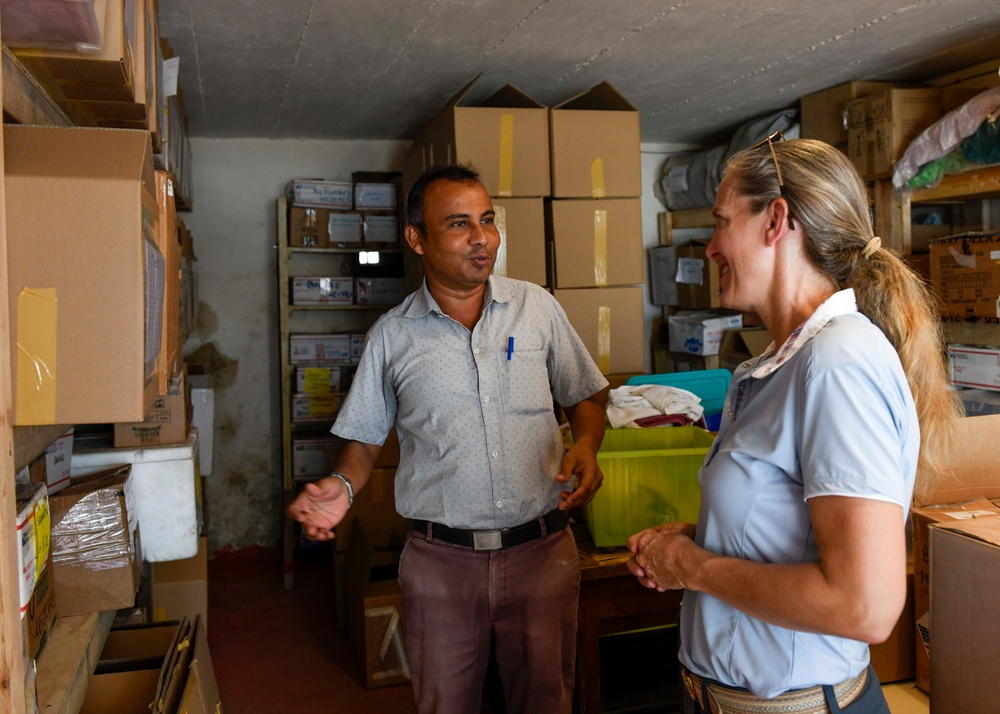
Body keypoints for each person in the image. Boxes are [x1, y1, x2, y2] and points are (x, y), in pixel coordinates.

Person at [627, 135, 962, 713]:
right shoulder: (775, 365)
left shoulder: (839, 363)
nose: (710, 248)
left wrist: (696, 567)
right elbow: (787, 526)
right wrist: (700, 540)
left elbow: (865, 605)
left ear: (775, 219)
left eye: (722, 222)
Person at [288, 164, 610, 713]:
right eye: (459, 224)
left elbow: (585, 395)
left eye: (487, 220)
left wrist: (586, 443)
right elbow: (364, 442)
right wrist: (342, 484)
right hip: (441, 565)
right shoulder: (392, 336)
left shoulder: (537, 308)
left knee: (547, 702)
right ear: (418, 238)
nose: (481, 238)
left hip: (541, 554)